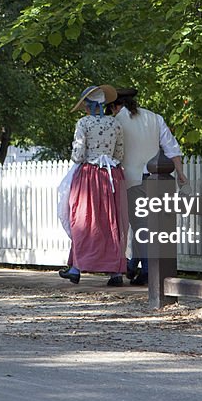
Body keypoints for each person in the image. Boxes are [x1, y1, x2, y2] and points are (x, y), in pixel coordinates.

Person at [110, 87, 185, 285]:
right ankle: (134, 263)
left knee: (133, 225)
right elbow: (171, 148)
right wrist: (180, 173)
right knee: (150, 223)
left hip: (129, 178)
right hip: (156, 179)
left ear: (115, 106)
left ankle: (141, 269)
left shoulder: (116, 121)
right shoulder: (154, 118)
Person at [59, 84, 128, 286]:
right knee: (110, 222)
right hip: (111, 175)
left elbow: (78, 155)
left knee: (83, 219)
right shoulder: (115, 124)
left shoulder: (84, 123)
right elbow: (120, 154)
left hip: (89, 174)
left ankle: (76, 268)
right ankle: (115, 272)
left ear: (89, 105)